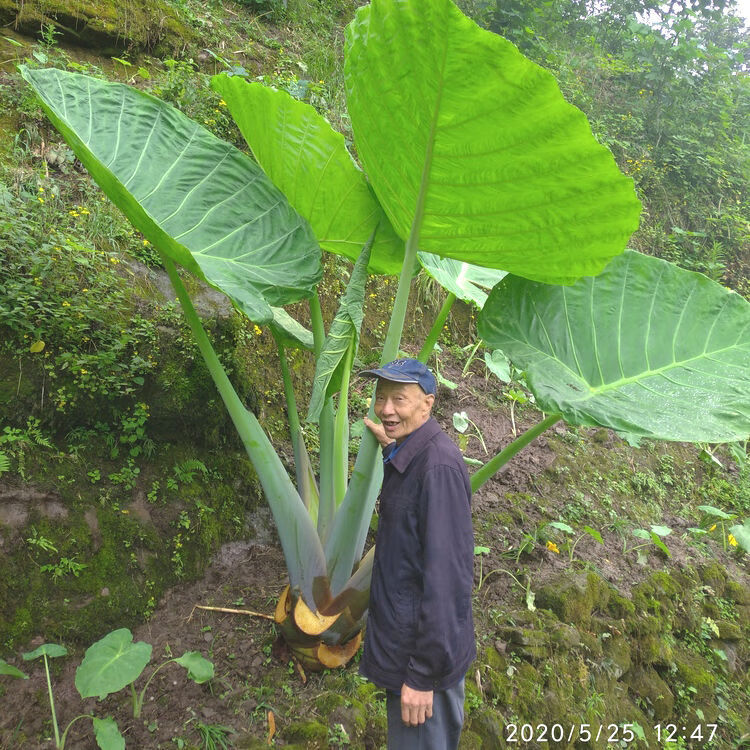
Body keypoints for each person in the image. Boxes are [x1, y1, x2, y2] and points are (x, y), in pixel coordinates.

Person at [358, 357, 475, 750]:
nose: (386, 409)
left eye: (399, 400)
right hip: (410, 653)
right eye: (381, 397)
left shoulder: (436, 470)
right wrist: (392, 448)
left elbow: (447, 582)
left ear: (427, 404)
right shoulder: (414, 453)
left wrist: (423, 677)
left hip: (422, 667)